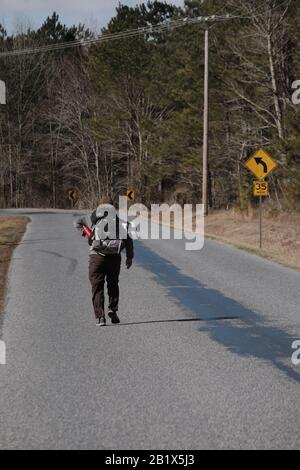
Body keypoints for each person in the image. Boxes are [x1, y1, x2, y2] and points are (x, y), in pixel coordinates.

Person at [74, 196, 134, 326]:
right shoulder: (118, 220)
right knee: (113, 284)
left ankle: (100, 317)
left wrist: (89, 235)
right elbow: (128, 239)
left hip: (97, 256)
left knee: (97, 286)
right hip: (114, 257)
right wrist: (129, 257)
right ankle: (112, 309)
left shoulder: (92, 216)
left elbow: (77, 223)